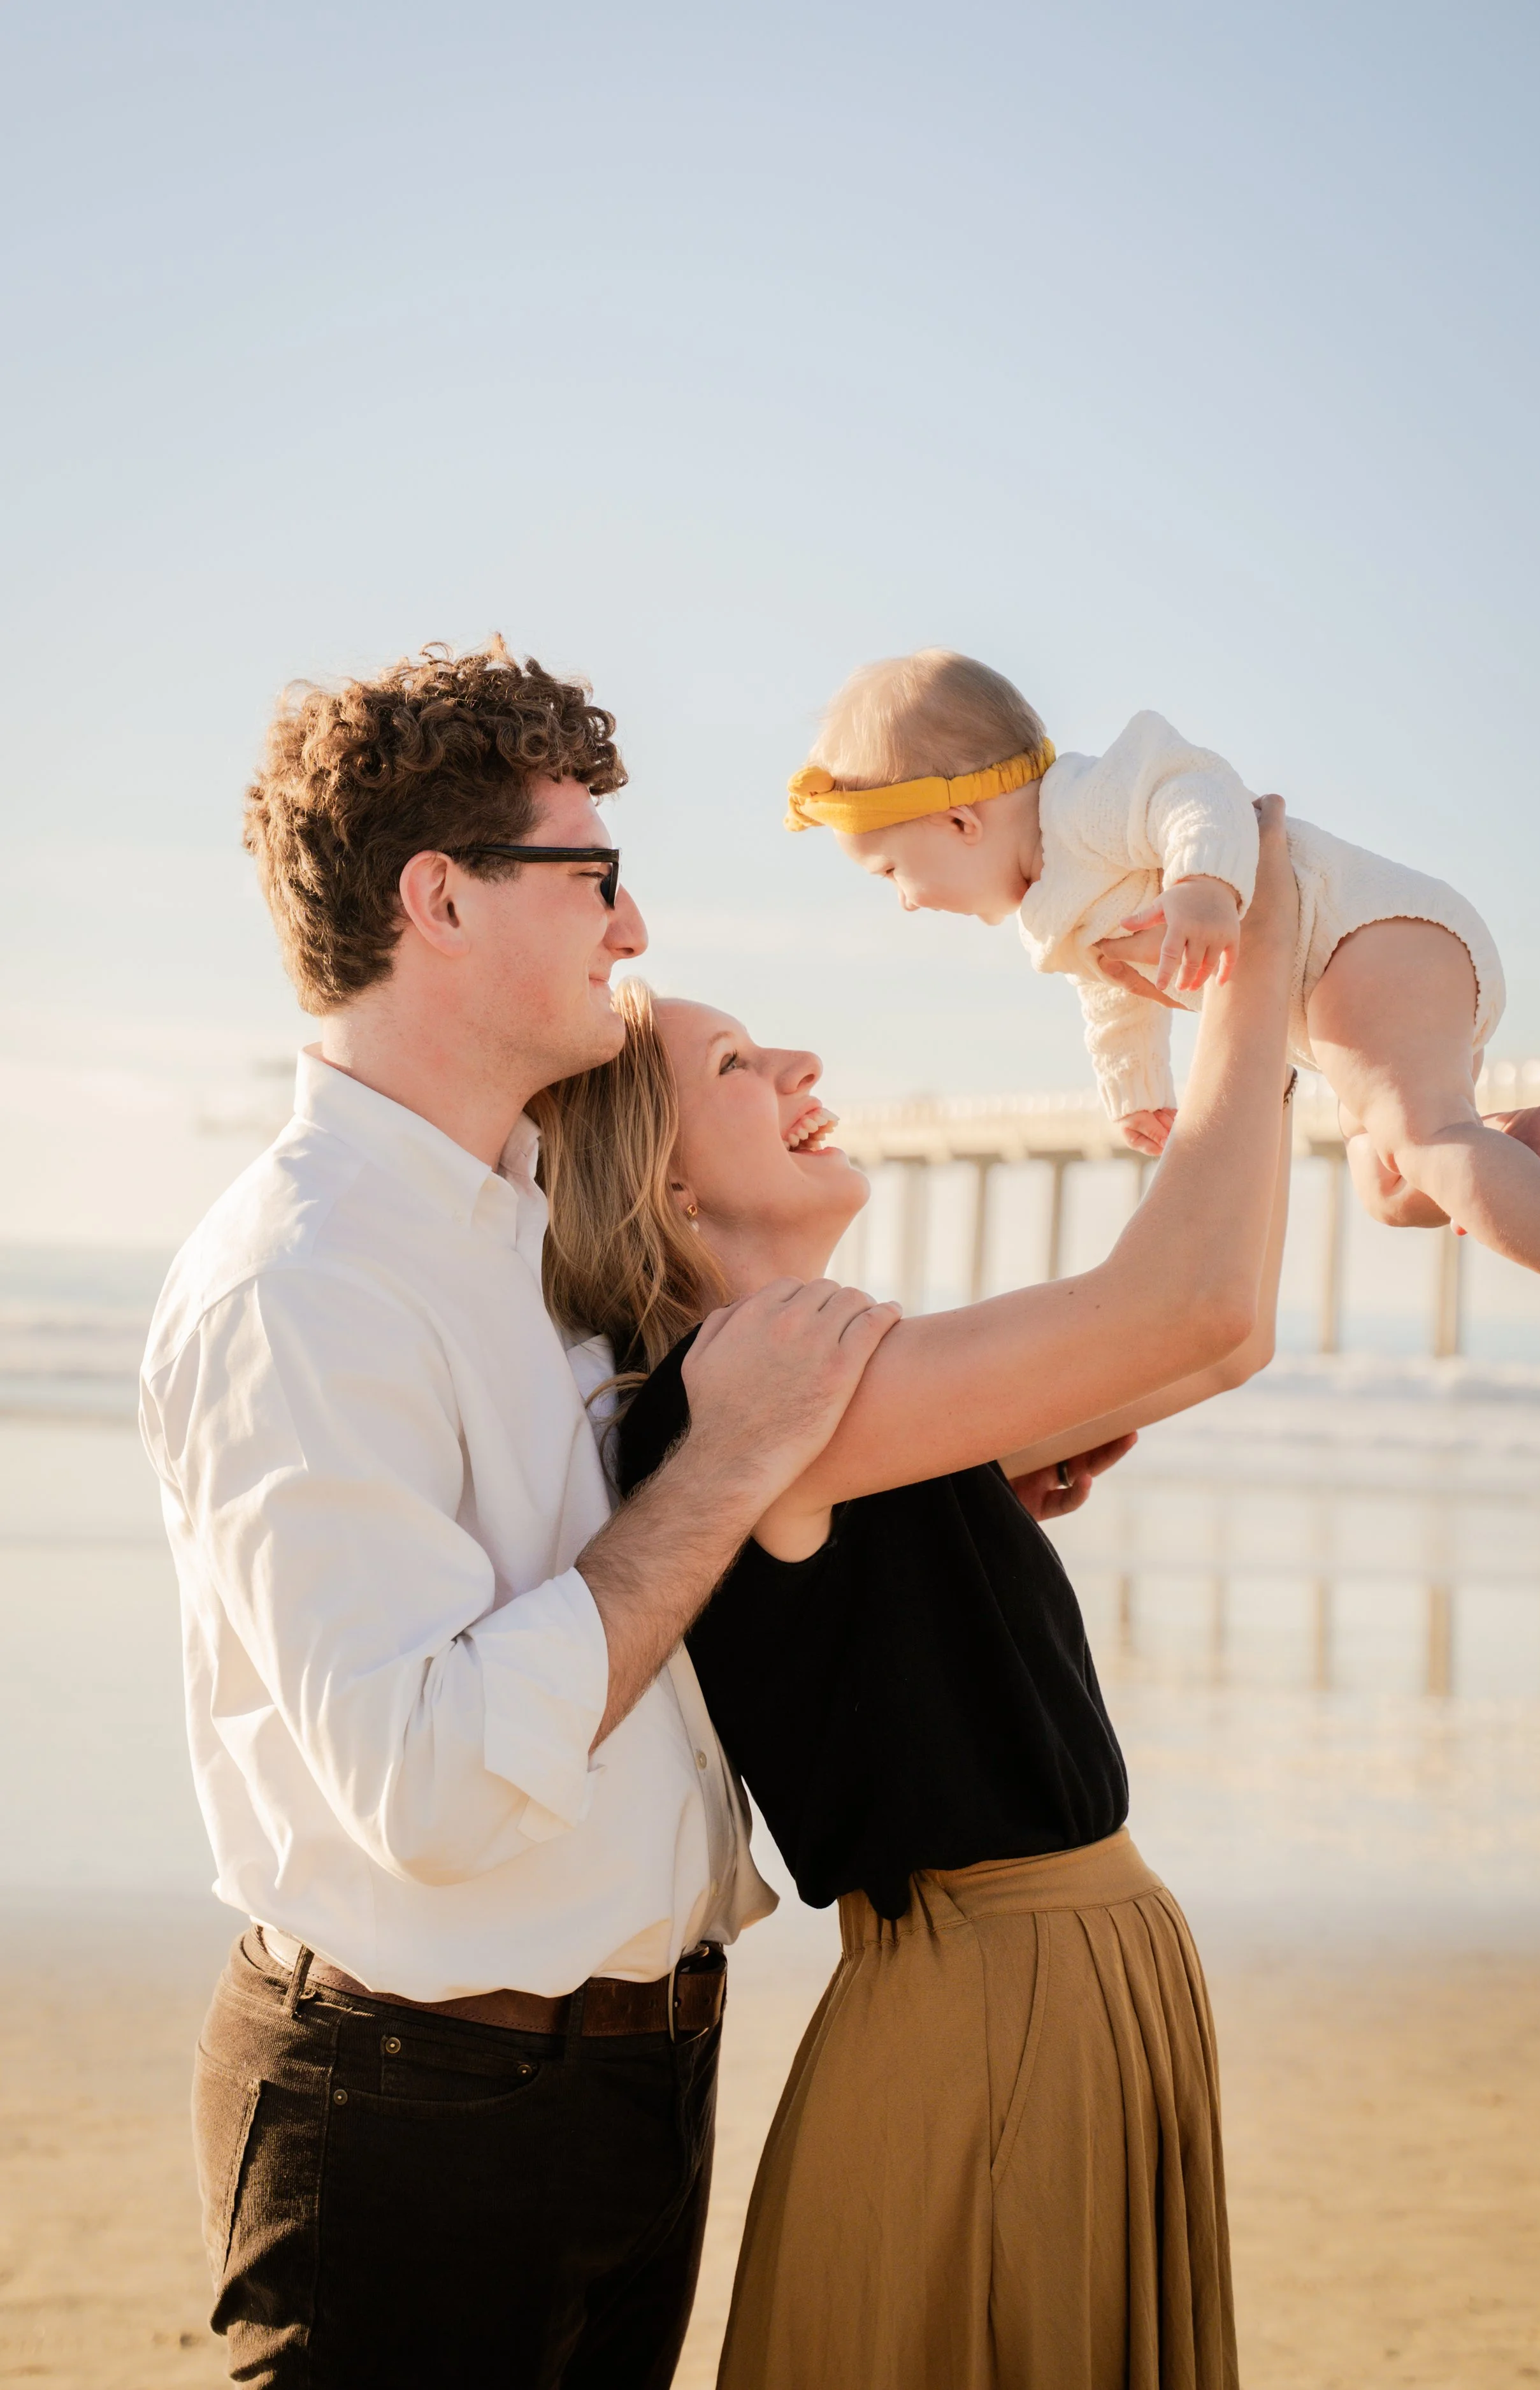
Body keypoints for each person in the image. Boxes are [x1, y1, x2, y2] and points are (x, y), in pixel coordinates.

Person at [137, 639, 902, 2389]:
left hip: (641, 2080)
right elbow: (425, 1784)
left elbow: (680, 1530)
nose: (630, 931)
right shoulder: (305, 1284)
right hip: (412, 2115)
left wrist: (916, 1466)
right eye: (594, 876)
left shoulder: (546, 1216)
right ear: (443, 900)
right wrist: (721, 1464)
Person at [533, 800, 1300, 2389]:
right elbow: (1194, 1297)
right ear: (668, 1191)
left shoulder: (815, 1369)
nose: (802, 1064)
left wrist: (1262, 1056)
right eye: (737, 1065)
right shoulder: (745, 1386)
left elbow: (1221, 1339)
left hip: (1058, 1973)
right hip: (991, 1999)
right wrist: (1263, 954)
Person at [785, 648, 1540, 1369]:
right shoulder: (1057, 907)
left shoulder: (1086, 802)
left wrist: (1202, 883)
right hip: (1336, 1001)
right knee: (1389, 1190)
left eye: (891, 873)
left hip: (1370, 937)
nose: (904, 904)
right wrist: (1135, 1089)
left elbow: (1194, 789)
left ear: (961, 822)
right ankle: (1504, 1150)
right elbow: (1111, 996)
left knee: (1421, 1138)